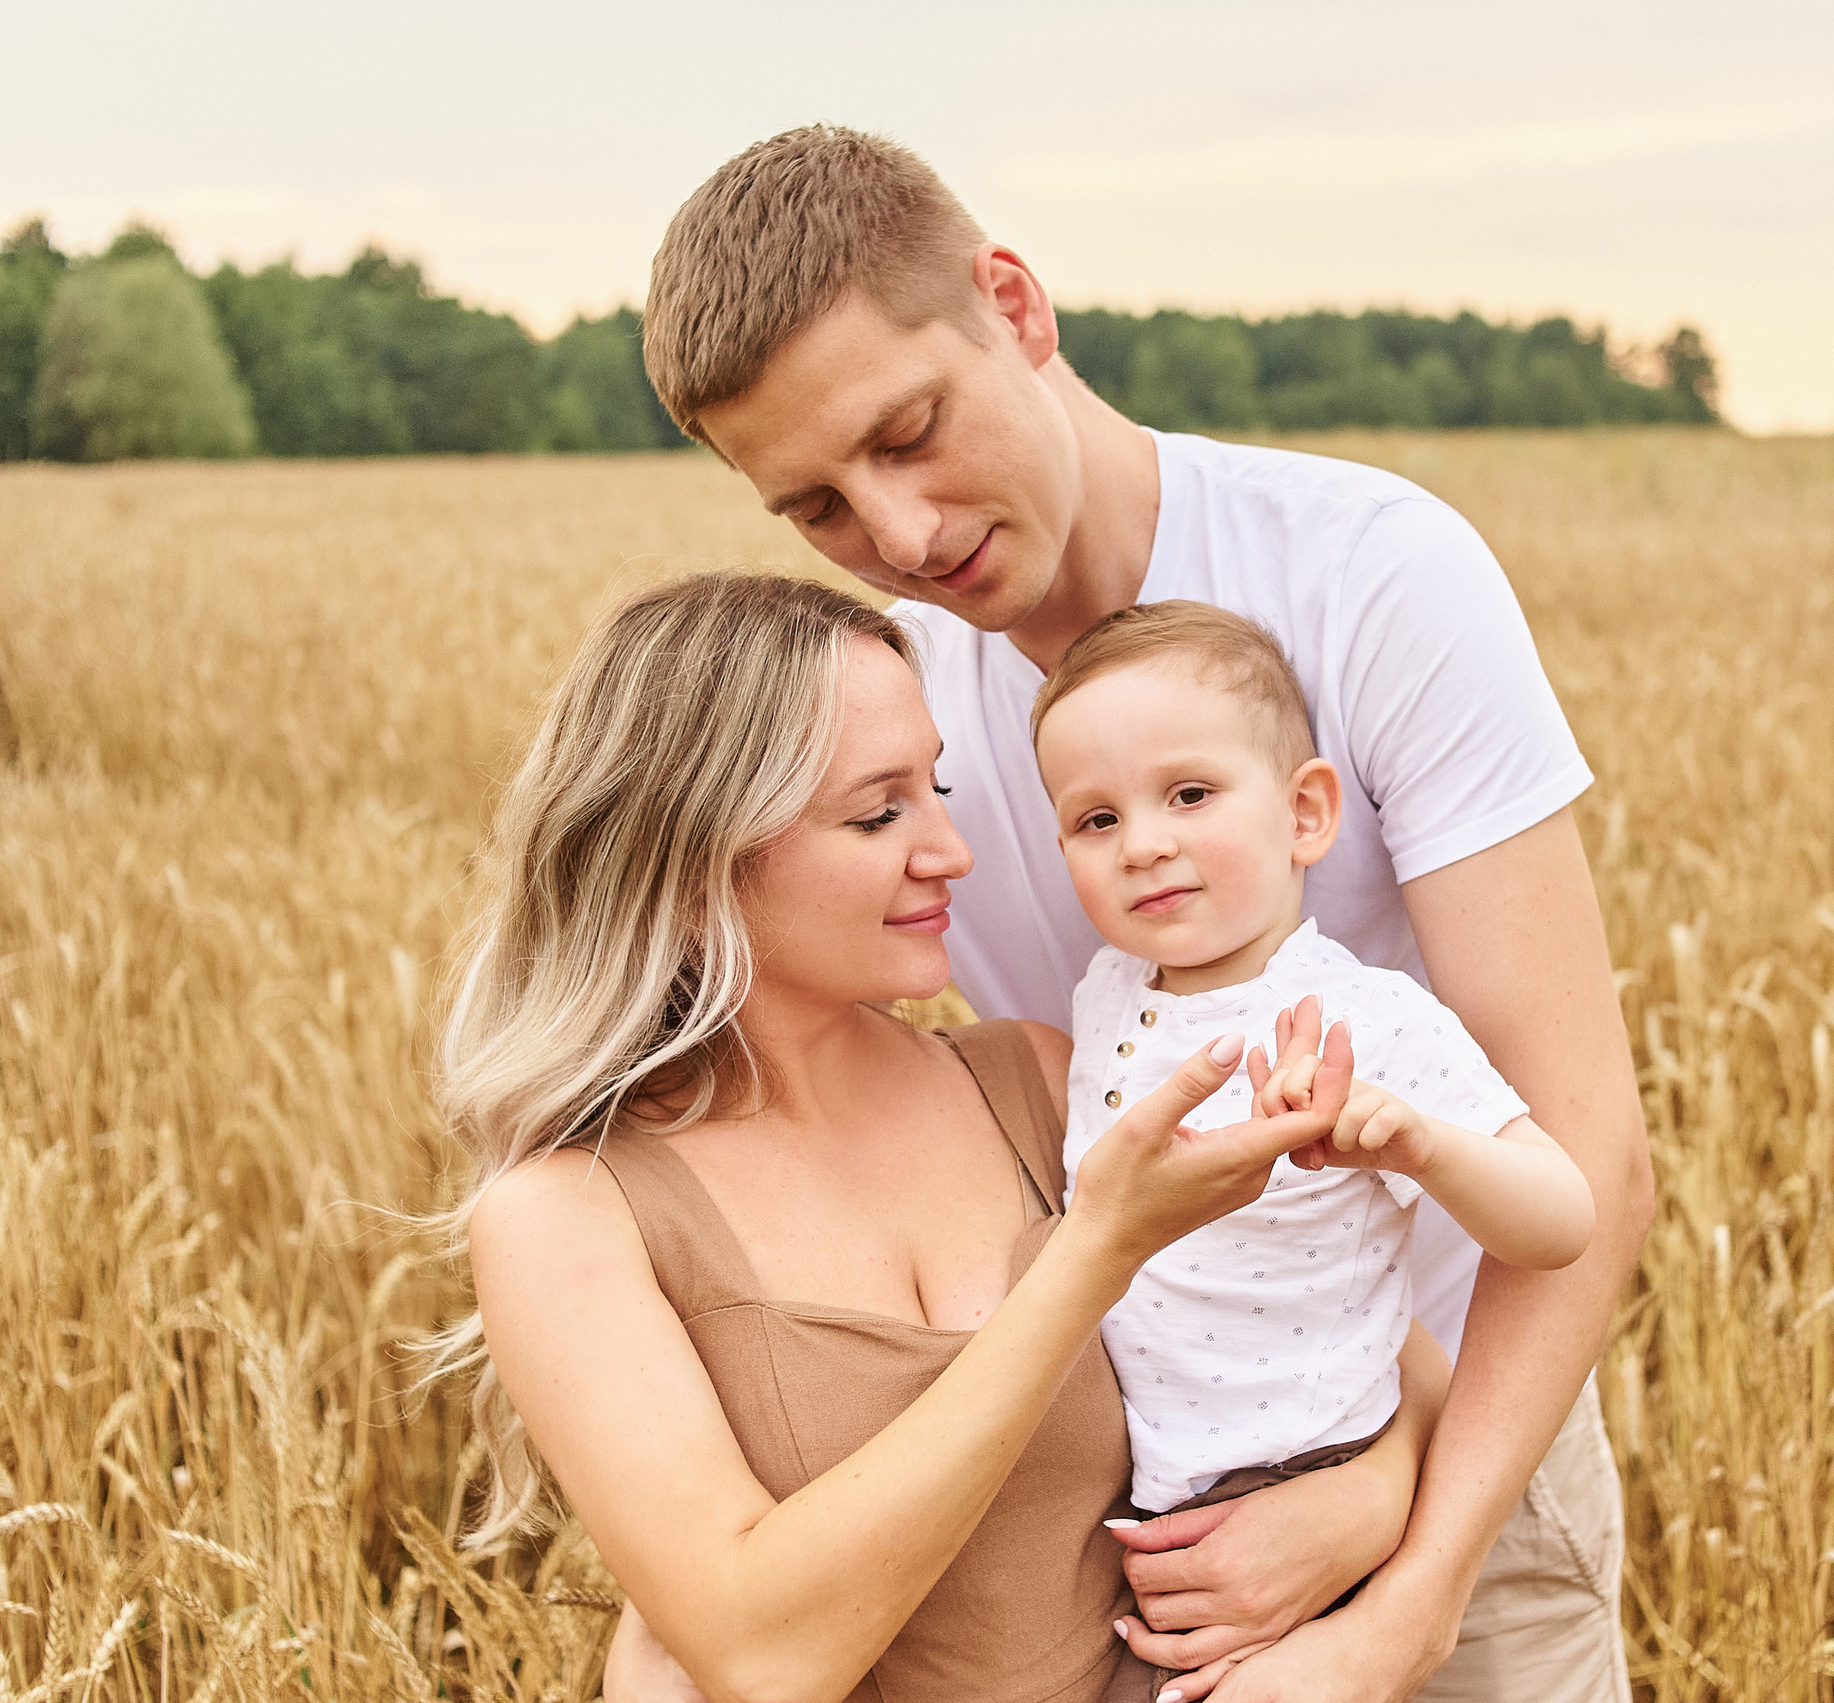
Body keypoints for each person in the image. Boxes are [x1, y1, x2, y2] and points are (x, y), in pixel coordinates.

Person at [628, 125, 1653, 1703]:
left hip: (1471, 1449)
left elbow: (1588, 1154)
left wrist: (1405, 1580)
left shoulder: (1373, 579)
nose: (898, 538)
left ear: (1016, 307)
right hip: (1133, 1496)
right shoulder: (901, 717)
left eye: (910, 430)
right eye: (816, 509)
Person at [437, 572, 1443, 1703]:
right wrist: (1092, 1252)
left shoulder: (1047, 1079)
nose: (951, 850)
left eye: (939, 787)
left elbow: (1368, 1333)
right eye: (879, 812)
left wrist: (1368, 1493)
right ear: (686, 864)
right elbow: (764, 1656)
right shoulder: (566, 1216)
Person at [1031, 600, 1596, 1520]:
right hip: (1148, 1486)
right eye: (1096, 819)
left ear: (1305, 812)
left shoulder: (1363, 1018)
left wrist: (1419, 1146)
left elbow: (1563, 1219)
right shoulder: (1108, 992)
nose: (1143, 844)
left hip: (1306, 1473)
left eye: (1189, 794)